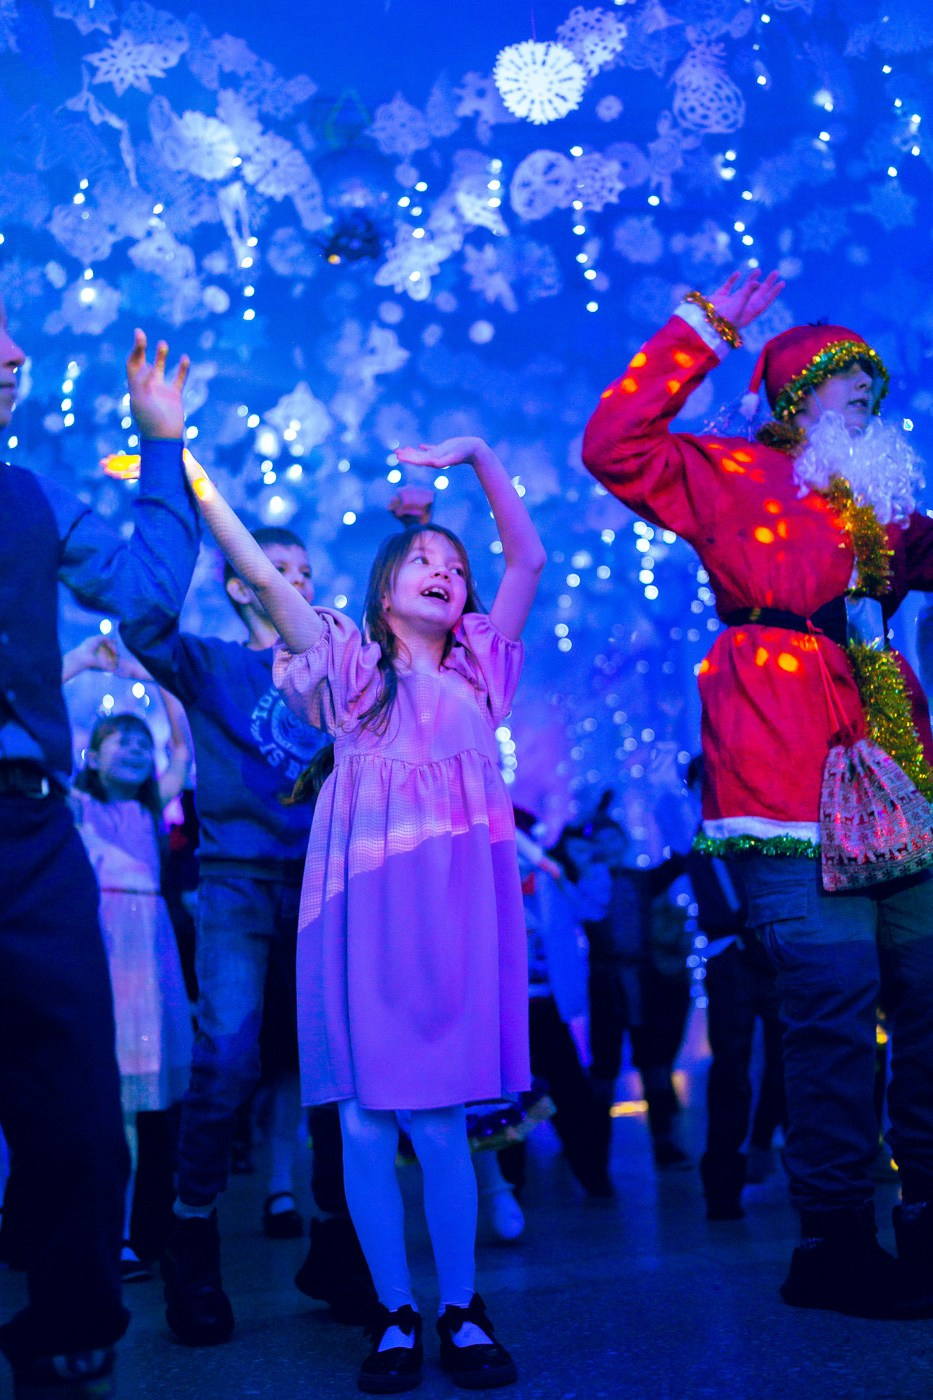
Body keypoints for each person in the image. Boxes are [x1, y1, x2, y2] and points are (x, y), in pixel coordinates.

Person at [583, 267, 933, 1319]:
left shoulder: (887, 507)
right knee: (830, 1012)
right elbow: (614, 446)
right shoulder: (731, 474)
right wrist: (705, 327)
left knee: (926, 1004)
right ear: (790, 399)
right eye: (841, 379)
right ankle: (831, 1241)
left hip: (899, 770)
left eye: (873, 380)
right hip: (783, 764)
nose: (864, 388)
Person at [181, 434, 544, 1392]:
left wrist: (474, 457)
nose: (445, 571)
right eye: (426, 560)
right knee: (366, 1128)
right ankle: (392, 1314)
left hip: (454, 926)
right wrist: (188, 471)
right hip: (363, 924)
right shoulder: (347, 672)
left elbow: (529, 558)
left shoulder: (481, 679)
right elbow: (259, 572)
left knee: (440, 1125)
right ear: (384, 591)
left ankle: (460, 1309)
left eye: (455, 568)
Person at [0, 305, 195, 1400]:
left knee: (77, 1102)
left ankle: (71, 1336)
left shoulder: (28, 495)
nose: (16, 357)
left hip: (28, 830)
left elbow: (148, 596)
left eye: (13, 338)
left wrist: (162, 441)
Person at [120, 507, 354, 1343]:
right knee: (226, 1058)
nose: (293, 582)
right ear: (240, 581)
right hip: (237, 886)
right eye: (273, 568)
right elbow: (142, 624)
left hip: (328, 884)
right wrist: (177, 514)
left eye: (302, 573)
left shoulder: (336, 672)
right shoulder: (210, 663)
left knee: (335, 1066)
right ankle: (191, 1234)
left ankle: (337, 1240)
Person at [65, 642, 194, 1279]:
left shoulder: (149, 809)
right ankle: (86, 1229)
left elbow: (182, 746)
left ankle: (117, 1237)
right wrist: (78, 664)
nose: (138, 750)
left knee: (132, 1107)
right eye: (121, 740)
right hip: (99, 957)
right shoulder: (74, 805)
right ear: (91, 754)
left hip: (148, 961)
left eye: (141, 743)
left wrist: (158, 679)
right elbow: (35, 729)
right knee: (97, 1102)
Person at [683, 757, 785, 1221]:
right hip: (737, 961)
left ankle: (758, 1155)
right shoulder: (707, 841)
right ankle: (725, 1183)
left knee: (781, 1064)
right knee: (733, 1070)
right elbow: (725, 908)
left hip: (761, 957)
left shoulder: (754, 828)